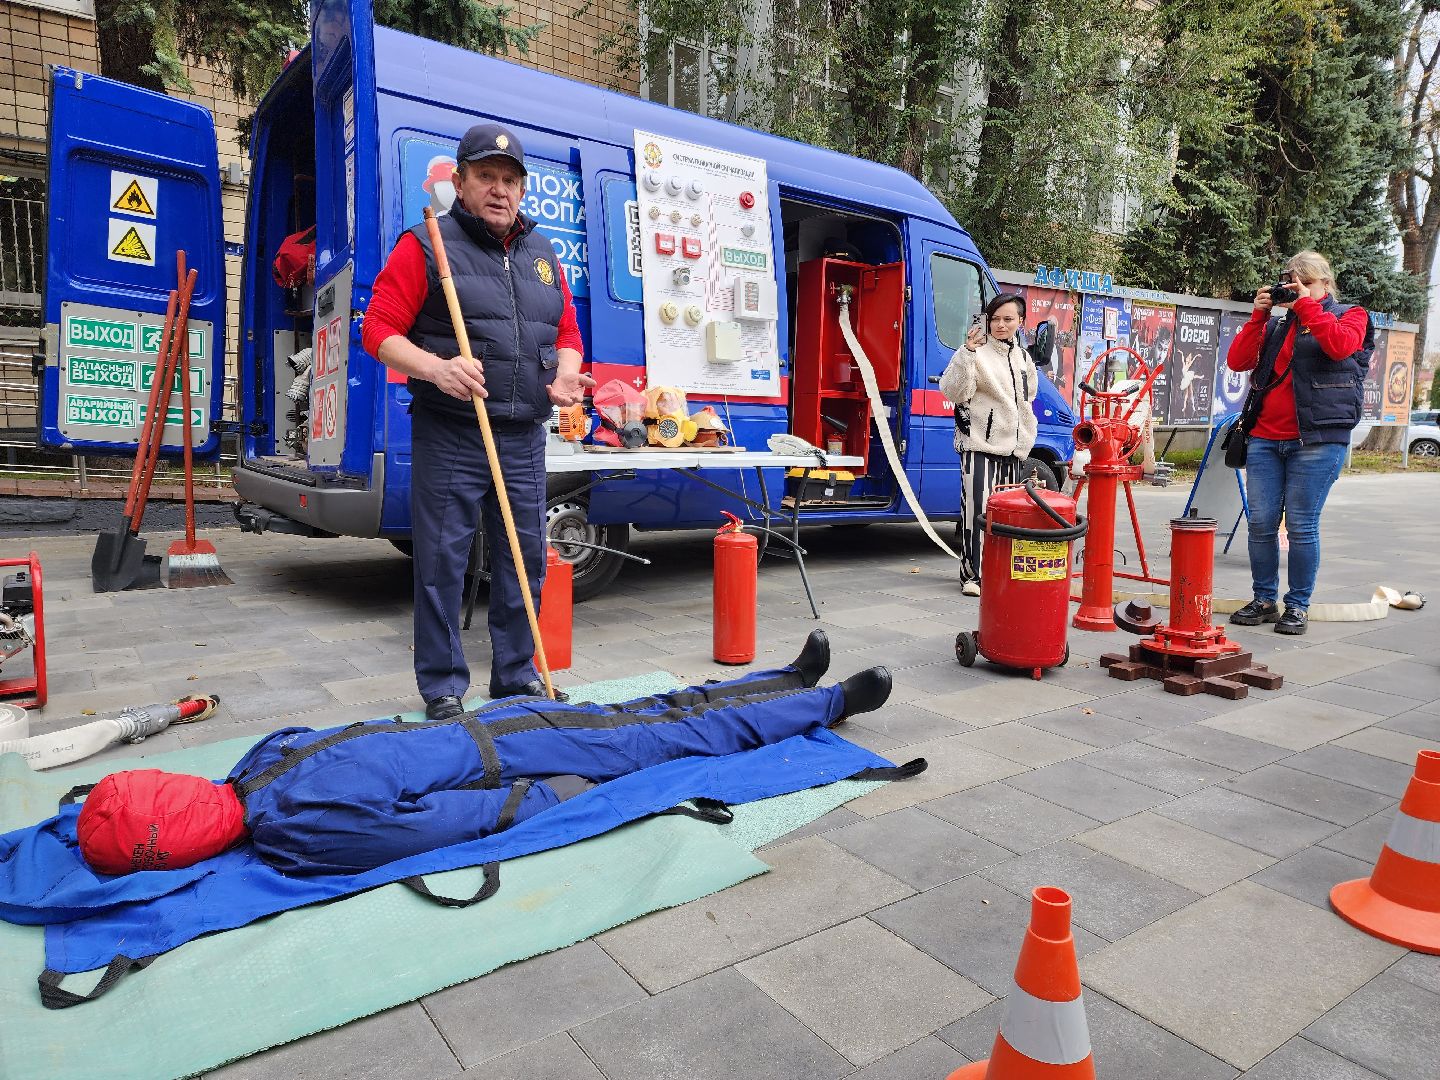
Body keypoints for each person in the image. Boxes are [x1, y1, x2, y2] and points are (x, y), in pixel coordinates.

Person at [65, 633, 902, 877]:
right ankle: (823, 702)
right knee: (672, 731)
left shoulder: (258, 771)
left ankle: (785, 677)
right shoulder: (293, 818)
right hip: (514, 753)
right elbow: (450, 825)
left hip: (500, 726)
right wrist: (558, 795)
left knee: (659, 713)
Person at [361, 124, 595, 718]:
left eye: (511, 180)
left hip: (521, 433)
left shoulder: (543, 256)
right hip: (451, 431)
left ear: (523, 189)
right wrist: (437, 368)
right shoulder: (425, 244)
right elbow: (378, 330)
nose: (500, 190)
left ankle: (516, 676)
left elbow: (566, 332)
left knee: (525, 558)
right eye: (486, 177)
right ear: (461, 182)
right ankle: (442, 686)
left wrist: (566, 371)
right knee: (443, 560)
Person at [1225, 251, 1371, 636]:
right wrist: (1259, 316)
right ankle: (1264, 599)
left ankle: (1298, 605)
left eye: (1303, 282)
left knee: (1302, 526)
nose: (1295, 290)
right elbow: (1237, 361)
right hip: (1265, 438)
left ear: (1323, 281)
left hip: (1318, 440)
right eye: (1291, 282)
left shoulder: (1351, 316)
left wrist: (1307, 305)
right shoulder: (1277, 325)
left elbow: (1340, 346)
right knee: (1260, 524)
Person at [939, 293, 1038, 595]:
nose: (1001, 324)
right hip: (980, 445)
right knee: (978, 512)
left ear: (1021, 322)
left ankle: (997, 572)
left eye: (1008, 319)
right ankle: (972, 576)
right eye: (995, 318)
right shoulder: (975, 352)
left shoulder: (1022, 356)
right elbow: (953, 391)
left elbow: (1029, 395)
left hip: (1015, 449)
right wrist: (967, 353)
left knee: (1006, 516)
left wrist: (1025, 436)